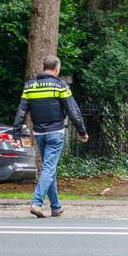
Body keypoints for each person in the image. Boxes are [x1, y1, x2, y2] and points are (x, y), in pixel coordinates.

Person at [12, 55, 88, 218]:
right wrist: (82, 131)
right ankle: (37, 202)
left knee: (49, 168)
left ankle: (56, 206)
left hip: (39, 133)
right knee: (49, 167)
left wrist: (16, 132)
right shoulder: (60, 85)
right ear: (56, 68)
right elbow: (72, 110)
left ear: (44, 66)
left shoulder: (30, 86)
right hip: (55, 132)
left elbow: (21, 111)